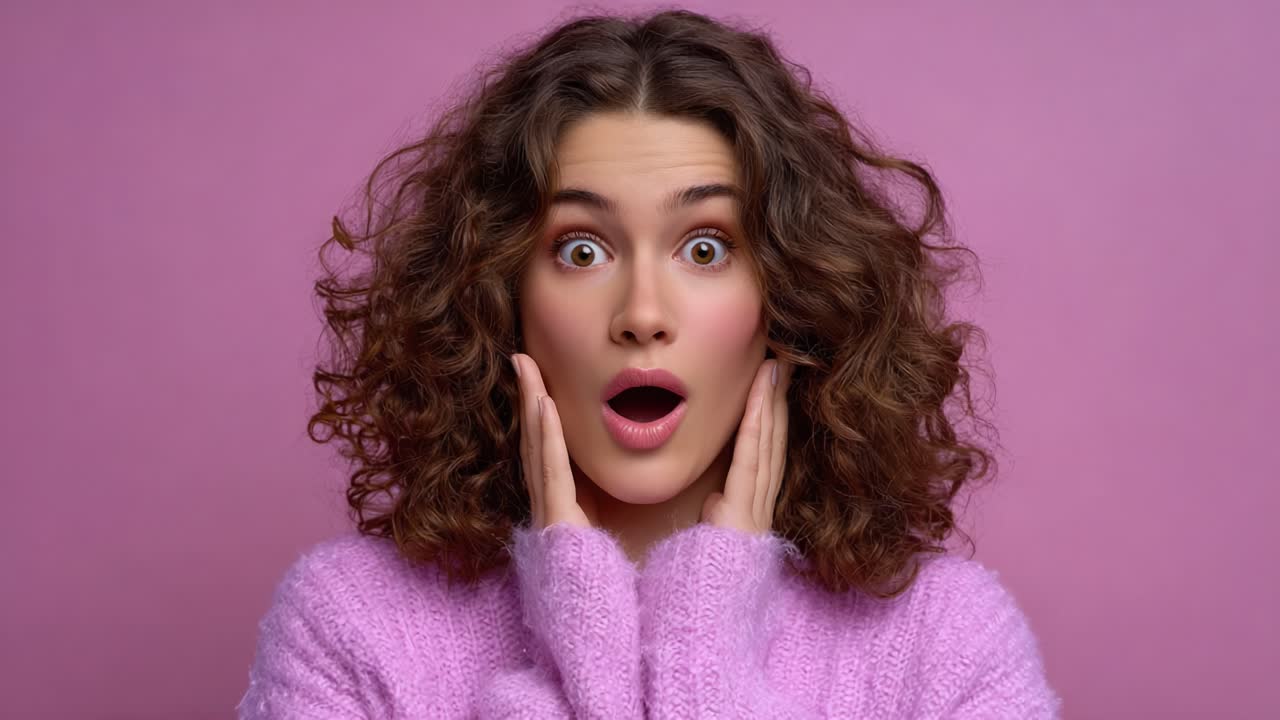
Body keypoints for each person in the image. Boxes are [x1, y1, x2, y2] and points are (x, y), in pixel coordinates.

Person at [238, 8, 1062, 718]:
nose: (641, 315)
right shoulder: (351, 624)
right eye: (582, 248)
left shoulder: (945, 642)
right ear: (497, 294)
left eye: (705, 248)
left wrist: (703, 638)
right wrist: (583, 626)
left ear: (790, 295)